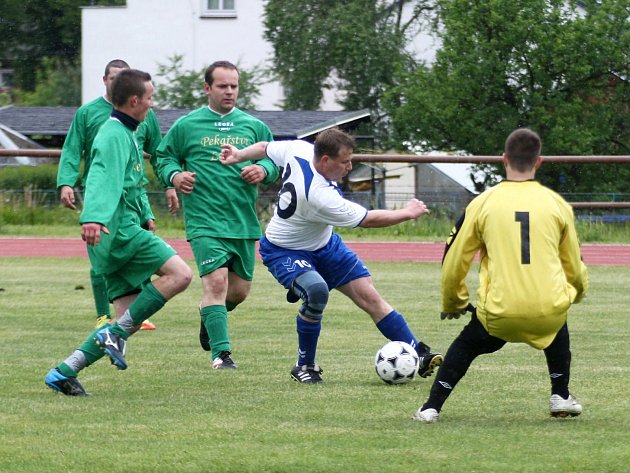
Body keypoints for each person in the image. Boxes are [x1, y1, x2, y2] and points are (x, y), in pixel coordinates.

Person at [219, 128, 443, 384]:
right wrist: (408, 212)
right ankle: (304, 366)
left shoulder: (301, 149)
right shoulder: (319, 195)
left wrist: (238, 155)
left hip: (325, 245)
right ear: (326, 160)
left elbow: (263, 147)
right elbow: (368, 220)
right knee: (316, 291)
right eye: (345, 161)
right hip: (284, 249)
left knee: (369, 296)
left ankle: (417, 351)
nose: (350, 166)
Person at [413, 128, 589, 422]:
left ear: (503, 159)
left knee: (467, 344)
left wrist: (453, 302)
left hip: (499, 314)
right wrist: (576, 294)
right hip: (547, 312)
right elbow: (574, 264)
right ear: (539, 161)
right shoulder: (558, 205)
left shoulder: (482, 203)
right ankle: (560, 395)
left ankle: (431, 407)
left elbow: (455, 260)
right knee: (557, 320)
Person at [45, 69, 192, 396]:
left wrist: (145, 213)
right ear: (135, 100)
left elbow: (129, 184)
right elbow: (101, 178)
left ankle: (65, 371)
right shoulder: (113, 134)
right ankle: (113, 336)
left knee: (128, 319)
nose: (153, 105)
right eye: (150, 98)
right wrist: (93, 217)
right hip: (118, 230)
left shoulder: (126, 132)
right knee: (180, 274)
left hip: (118, 228)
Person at [156, 60, 279, 369]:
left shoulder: (254, 126)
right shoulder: (187, 125)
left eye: (234, 86)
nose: (229, 92)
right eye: (222, 86)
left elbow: (277, 160)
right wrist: (174, 176)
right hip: (204, 221)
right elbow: (163, 157)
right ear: (207, 88)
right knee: (216, 284)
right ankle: (221, 355)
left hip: (242, 221)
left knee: (238, 292)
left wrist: (262, 169)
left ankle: (209, 317)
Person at [57, 59, 179, 330]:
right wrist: (70, 186)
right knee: (175, 272)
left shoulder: (141, 119)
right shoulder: (93, 117)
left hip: (132, 206)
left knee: (125, 302)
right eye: (113, 78)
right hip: (106, 205)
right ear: (105, 81)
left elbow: (156, 155)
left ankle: (77, 359)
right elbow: (80, 156)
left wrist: (167, 185)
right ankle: (103, 314)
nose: (116, 82)